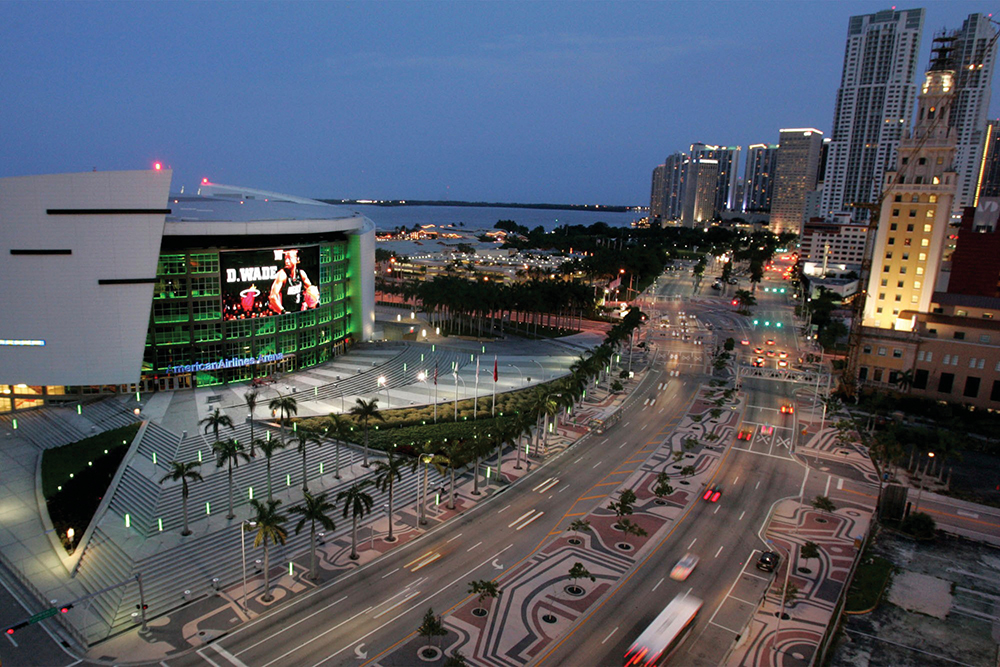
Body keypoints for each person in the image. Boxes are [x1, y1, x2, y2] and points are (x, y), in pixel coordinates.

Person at [268, 249, 316, 314]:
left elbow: (311, 290)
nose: (287, 261)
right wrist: (283, 311)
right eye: (285, 259)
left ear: (297, 260)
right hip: (287, 312)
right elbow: (272, 297)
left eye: (289, 258)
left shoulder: (301, 273)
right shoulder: (282, 274)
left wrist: (307, 303)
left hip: (300, 312)